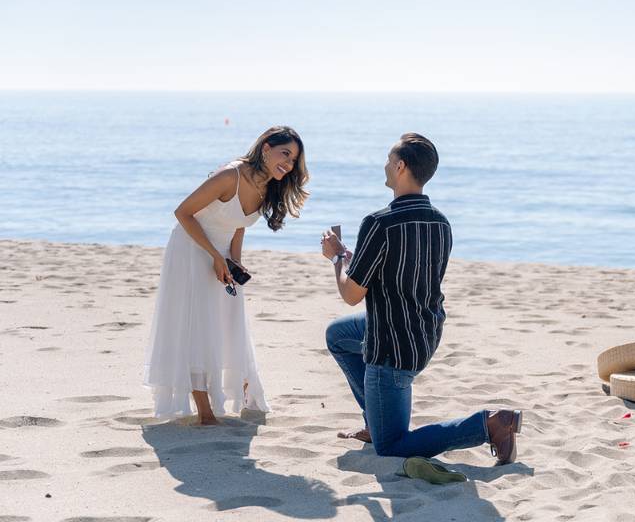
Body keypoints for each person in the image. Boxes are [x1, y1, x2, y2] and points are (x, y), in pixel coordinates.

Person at [322, 133, 522, 465]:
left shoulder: (379, 223)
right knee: (338, 335)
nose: (385, 165)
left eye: (389, 160)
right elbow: (403, 272)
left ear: (400, 166)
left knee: (391, 446)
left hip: (391, 348)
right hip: (424, 334)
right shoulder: (441, 223)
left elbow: (351, 294)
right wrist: (351, 257)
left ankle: (488, 424)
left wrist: (335, 259)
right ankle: (375, 420)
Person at [144, 126, 309, 424]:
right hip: (192, 247)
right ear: (266, 148)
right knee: (198, 324)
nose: (289, 163)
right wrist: (215, 256)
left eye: (294, 159)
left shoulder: (268, 184)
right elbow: (183, 213)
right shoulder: (229, 176)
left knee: (230, 321)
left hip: (221, 254)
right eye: (285, 153)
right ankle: (205, 412)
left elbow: (239, 223)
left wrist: (235, 260)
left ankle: (241, 390)